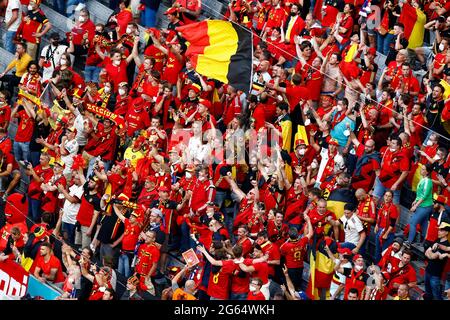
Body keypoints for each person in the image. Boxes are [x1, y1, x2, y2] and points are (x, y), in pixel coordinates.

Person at [424, 222, 450, 300]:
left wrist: (433, 254)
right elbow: (426, 253)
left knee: (436, 296)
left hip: (435, 275)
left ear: (446, 232)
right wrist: (434, 254)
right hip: (428, 271)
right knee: (428, 294)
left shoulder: (447, 244)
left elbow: (433, 256)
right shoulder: (437, 240)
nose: (438, 231)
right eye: (439, 230)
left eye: (441, 230)